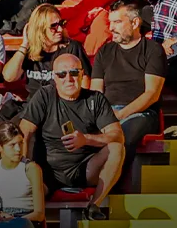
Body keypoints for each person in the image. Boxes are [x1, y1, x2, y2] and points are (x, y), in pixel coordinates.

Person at [16, 52, 124, 219]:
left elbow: (117, 135)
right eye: (62, 74)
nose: (69, 78)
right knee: (23, 199)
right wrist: (23, 168)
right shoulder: (45, 95)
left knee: (117, 148)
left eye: (74, 72)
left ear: (82, 74)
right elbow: (24, 131)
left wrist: (86, 139)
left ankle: (94, 205)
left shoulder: (95, 99)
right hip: (47, 170)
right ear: (54, 77)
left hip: (84, 167)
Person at [90, 0, 168, 176]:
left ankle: (112, 186)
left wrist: (119, 116)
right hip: (107, 113)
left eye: (117, 22)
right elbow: (95, 93)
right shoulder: (105, 52)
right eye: (110, 22)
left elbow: (151, 94)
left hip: (141, 113)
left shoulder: (153, 50)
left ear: (135, 23)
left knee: (122, 135)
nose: (111, 28)